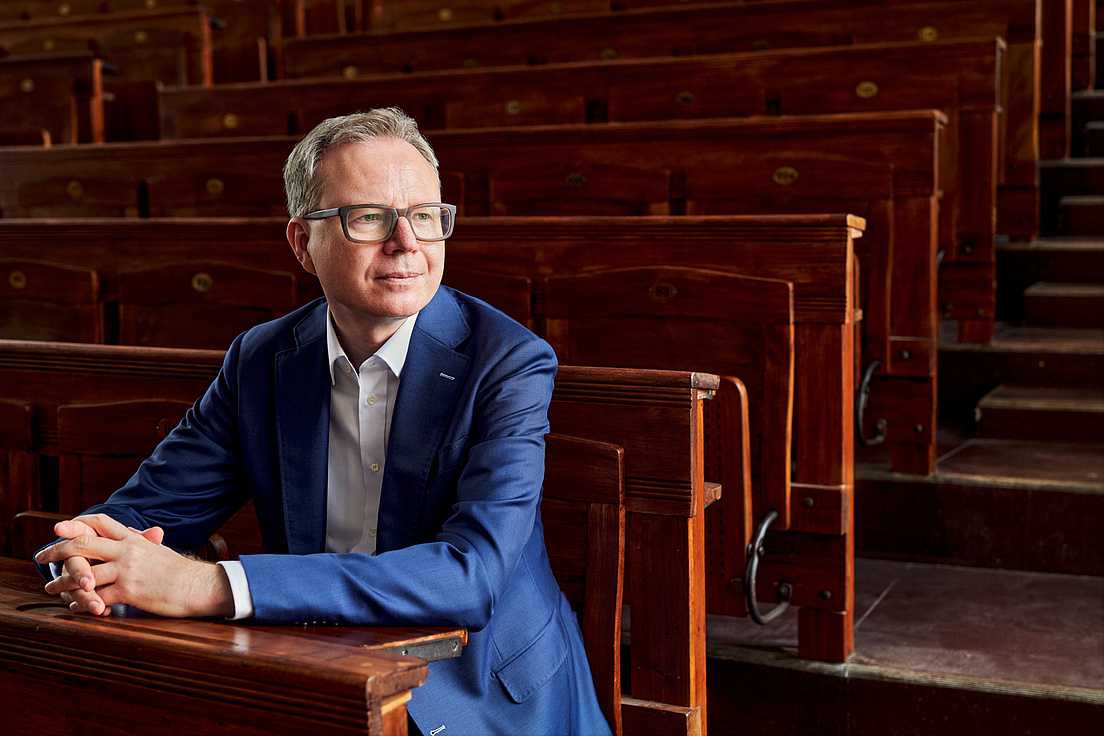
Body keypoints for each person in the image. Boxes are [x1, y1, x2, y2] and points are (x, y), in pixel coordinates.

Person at [34, 108, 612, 736]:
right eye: (369, 218)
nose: (407, 244)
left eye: (425, 216)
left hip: (482, 700)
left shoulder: (507, 361)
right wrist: (89, 558)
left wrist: (214, 587)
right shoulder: (261, 359)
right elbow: (144, 517)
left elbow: (470, 577)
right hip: (315, 674)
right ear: (303, 243)